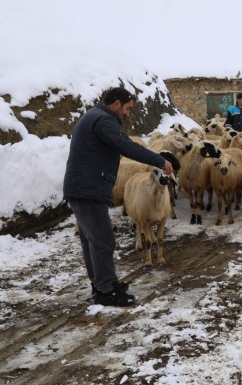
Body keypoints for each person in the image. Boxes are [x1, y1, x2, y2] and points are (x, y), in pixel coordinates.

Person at [63, 87, 174, 307]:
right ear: (116, 104)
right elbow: (125, 145)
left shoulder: (94, 117)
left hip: (82, 187)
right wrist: (160, 161)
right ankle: (105, 291)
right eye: (128, 109)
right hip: (88, 189)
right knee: (103, 241)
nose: (128, 114)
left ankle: (104, 284)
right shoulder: (103, 120)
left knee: (91, 241)